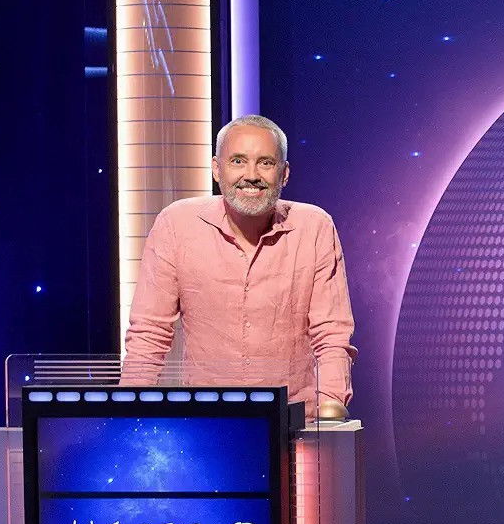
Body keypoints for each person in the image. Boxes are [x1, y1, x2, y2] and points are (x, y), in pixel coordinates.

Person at [123, 115, 356, 417]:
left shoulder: (314, 227)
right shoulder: (176, 224)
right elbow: (150, 332)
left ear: (284, 173)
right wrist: (127, 412)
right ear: (216, 169)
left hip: (294, 423)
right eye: (237, 161)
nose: (251, 175)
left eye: (265, 163)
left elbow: (332, 334)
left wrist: (331, 410)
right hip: (205, 420)